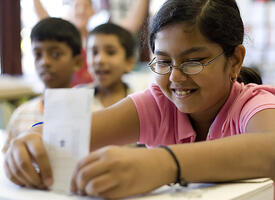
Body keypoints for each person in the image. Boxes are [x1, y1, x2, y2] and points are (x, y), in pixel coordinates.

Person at [4, 0, 275, 199]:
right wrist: (35, 139)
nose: (175, 77)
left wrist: (164, 164)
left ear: (235, 60)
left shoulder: (252, 105)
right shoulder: (159, 105)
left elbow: (268, 148)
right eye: (164, 61)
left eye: (194, 61)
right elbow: (80, 130)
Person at [2, 17, 83, 152]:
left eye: (56, 54)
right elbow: (9, 161)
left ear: (77, 62)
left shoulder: (94, 112)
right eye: (38, 54)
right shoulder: (21, 115)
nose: (45, 62)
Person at [32, 0, 150, 86]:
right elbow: (44, 19)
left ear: (93, 11)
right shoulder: (61, 40)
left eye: (86, 6)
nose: (81, 10)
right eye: (77, 6)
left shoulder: (99, 39)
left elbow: (132, 24)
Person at [84, 23, 136, 110]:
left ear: (129, 63)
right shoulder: (77, 99)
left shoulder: (139, 102)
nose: (100, 60)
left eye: (110, 52)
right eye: (94, 52)